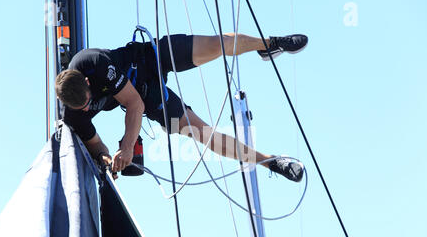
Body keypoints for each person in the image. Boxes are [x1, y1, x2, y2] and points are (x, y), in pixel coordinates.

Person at [55, 33, 308, 182]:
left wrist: (129, 147)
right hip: (152, 98)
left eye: (89, 102)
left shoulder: (94, 63)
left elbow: (133, 103)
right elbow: (97, 146)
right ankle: (271, 162)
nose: (88, 108)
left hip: (148, 58)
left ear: (87, 82)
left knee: (214, 45)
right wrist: (111, 160)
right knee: (203, 133)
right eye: (83, 108)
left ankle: (268, 44)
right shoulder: (75, 115)